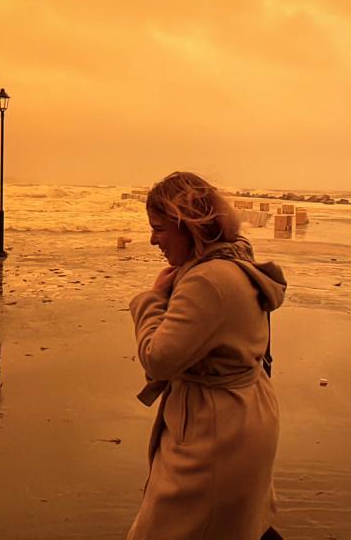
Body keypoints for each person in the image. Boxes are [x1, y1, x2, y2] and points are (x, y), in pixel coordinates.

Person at [126, 171, 287, 540]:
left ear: (187, 225)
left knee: (171, 529)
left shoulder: (205, 282)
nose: (152, 240)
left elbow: (157, 359)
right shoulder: (236, 261)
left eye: (159, 228)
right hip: (244, 415)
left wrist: (151, 300)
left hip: (213, 429)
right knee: (239, 523)